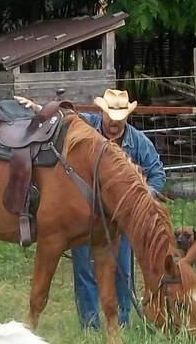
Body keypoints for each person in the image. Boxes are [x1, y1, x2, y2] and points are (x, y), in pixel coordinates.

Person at [68, 89, 165, 328]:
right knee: (84, 268)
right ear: (101, 112)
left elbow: (157, 175)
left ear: (127, 117)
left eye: (120, 118)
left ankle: (122, 321)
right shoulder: (86, 129)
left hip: (120, 221)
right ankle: (90, 324)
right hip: (85, 215)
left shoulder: (138, 142)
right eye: (110, 116)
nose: (114, 122)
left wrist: (138, 201)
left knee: (122, 270)